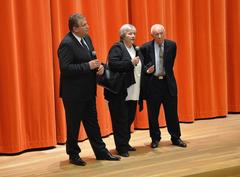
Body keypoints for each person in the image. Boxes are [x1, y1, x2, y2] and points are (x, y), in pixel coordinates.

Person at [57, 13, 120, 166]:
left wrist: (99, 68)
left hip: (88, 91)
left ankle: (101, 152)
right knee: (74, 125)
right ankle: (73, 154)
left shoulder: (87, 39)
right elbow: (65, 68)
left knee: (92, 123)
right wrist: (88, 66)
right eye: (84, 25)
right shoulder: (66, 44)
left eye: (86, 23)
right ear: (75, 28)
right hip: (73, 94)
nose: (88, 26)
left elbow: (92, 58)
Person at [140, 24, 187, 149]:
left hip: (168, 83)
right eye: (157, 34)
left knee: (172, 113)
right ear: (152, 35)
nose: (160, 36)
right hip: (153, 84)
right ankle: (155, 138)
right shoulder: (145, 47)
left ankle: (176, 137)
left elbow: (170, 63)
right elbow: (142, 66)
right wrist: (147, 70)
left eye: (162, 33)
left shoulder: (172, 45)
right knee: (153, 114)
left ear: (165, 33)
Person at [104, 24, 144, 157]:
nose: (133, 36)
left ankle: (125, 142)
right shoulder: (117, 47)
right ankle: (121, 147)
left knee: (129, 118)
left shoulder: (136, 48)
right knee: (119, 120)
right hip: (120, 91)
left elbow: (139, 67)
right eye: (129, 33)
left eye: (134, 33)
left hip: (134, 90)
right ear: (122, 35)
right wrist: (130, 63)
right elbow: (113, 64)